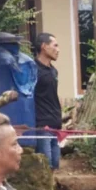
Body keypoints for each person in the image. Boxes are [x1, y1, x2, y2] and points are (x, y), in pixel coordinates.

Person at [33, 33, 62, 170]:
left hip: (55, 124)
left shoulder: (54, 71)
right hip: (42, 125)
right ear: (44, 47)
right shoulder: (33, 69)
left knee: (55, 164)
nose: (58, 49)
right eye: (55, 45)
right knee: (45, 165)